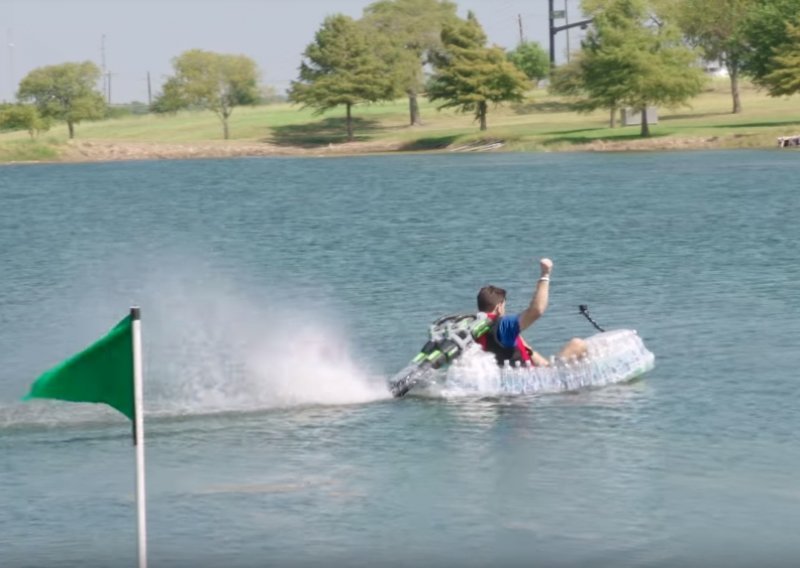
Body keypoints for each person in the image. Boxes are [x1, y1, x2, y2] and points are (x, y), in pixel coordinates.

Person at [476, 258, 587, 367]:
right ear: (499, 307)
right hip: (530, 380)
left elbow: (530, 353)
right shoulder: (503, 326)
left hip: (511, 375)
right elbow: (537, 310)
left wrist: (547, 366)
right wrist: (545, 275)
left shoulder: (474, 328)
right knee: (577, 344)